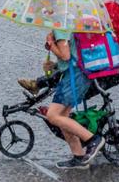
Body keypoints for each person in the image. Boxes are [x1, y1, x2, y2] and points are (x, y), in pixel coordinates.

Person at [42, 30, 106, 169]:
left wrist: (52, 45)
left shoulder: (61, 28)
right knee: (63, 116)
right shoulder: (67, 23)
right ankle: (79, 156)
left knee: (52, 115)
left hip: (74, 75)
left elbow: (65, 56)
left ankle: (93, 139)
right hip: (77, 74)